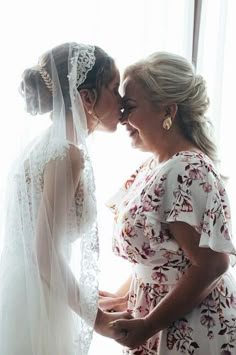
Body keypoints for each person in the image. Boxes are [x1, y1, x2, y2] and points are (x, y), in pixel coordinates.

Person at [99, 52, 236, 354]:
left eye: (130, 107)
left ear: (168, 111)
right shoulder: (156, 167)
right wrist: (122, 297)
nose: (121, 117)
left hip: (191, 327)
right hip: (159, 316)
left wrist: (148, 325)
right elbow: (165, 259)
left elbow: (213, 264)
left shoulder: (186, 169)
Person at [0, 42, 131, 355]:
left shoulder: (46, 145)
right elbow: (45, 253)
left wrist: (87, 296)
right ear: (87, 98)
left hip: (31, 292)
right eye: (114, 89)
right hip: (38, 305)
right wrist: (98, 321)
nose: (122, 101)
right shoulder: (67, 154)